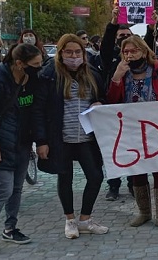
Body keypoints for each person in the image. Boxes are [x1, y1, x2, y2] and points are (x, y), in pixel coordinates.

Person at [106, 35, 158, 232]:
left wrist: (156, 108)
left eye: (134, 51)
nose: (130, 55)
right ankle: (144, 212)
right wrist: (116, 77)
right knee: (137, 172)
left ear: (143, 51)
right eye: (126, 52)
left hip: (157, 131)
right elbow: (112, 102)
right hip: (132, 132)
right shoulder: (121, 74)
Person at [0, 43, 47, 256]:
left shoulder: (31, 78)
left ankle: (10, 228)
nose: (39, 68)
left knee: (16, 189)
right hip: (1, 143)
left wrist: (38, 140)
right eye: (35, 65)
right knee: (3, 190)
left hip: (22, 143)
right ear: (19, 64)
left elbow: (34, 110)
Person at [36, 34, 109, 239]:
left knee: (95, 176)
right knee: (64, 177)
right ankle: (70, 220)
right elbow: (39, 110)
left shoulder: (92, 73)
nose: (74, 56)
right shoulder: (49, 74)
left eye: (78, 52)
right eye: (69, 52)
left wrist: (99, 102)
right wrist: (41, 141)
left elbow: (102, 96)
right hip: (60, 138)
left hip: (87, 137)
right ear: (60, 53)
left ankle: (85, 220)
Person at [100, 6, 156, 201]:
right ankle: (113, 186)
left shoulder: (144, 61)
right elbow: (105, 46)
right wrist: (113, 22)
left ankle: (135, 185)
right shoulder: (113, 58)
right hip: (116, 112)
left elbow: (147, 46)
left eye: (127, 35)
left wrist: (151, 27)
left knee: (136, 151)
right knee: (115, 149)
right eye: (120, 35)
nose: (124, 38)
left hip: (139, 115)